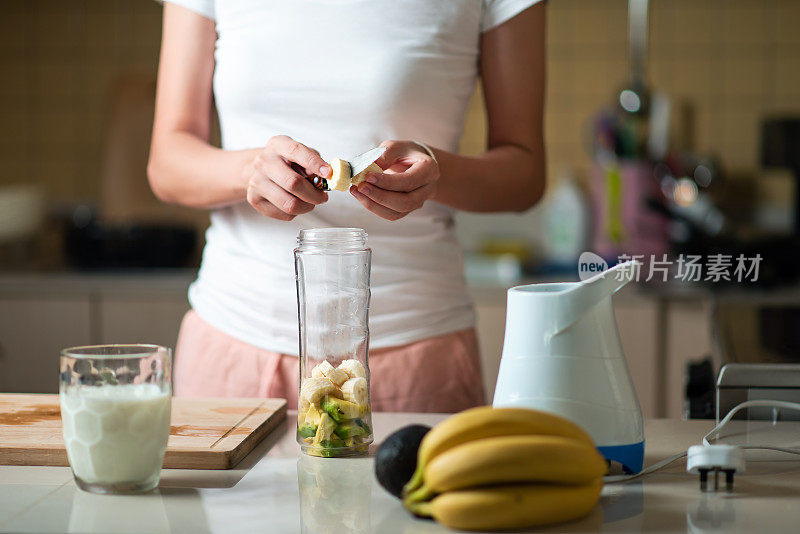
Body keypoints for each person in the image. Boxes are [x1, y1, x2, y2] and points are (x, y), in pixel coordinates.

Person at [148, 0, 546, 412]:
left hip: (413, 350)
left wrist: (436, 171)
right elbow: (166, 163)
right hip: (231, 343)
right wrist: (249, 169)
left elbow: (525, 174)